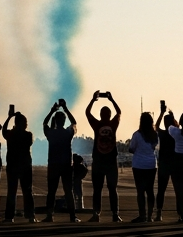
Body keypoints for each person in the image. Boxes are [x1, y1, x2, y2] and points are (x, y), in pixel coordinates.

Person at [85, 90, 121, 222]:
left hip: (99, 161)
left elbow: (87, 113)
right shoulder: (113, 124)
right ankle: (115, 214)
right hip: (110, 161)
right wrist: (112, 100)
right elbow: (119, 112)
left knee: (97, 189)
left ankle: (96, 214)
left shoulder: (97, 125)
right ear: (109, 115)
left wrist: (93, 100)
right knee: (112, 189)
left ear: (100, 115)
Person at [43, 99, 78, 223]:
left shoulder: (51, 133)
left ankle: (49, 215)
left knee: (51, 192)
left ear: (55, 122)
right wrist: (66, 108)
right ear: (63, 122)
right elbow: (74, 122)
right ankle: (73, 216)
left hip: (53, 164)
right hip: (66, 165)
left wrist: (52, 110)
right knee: (68, 191)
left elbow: (44, 124)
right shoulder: (68, 133)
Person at [2, 106, 35, 223]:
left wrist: (9, 117)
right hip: (25, 165)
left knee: (12, 191)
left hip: (12, 165)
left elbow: (3, 130)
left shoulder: (11, 134)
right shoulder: (28, 135)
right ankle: (30, 216)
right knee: (27, 191)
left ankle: (9, 216)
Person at [128, 112, 158, 223]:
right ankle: (150, 216)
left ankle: (142, 215)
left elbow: (131, 148)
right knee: (150, 190)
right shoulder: (154, 134)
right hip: (151, 164)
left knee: (140, 191)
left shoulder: (137, 135)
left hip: (139, 165)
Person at [154, 103, 176, 222]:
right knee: (178, 190)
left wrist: (162, 113)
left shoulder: (163, 134)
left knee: (161, 190)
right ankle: (181, 213)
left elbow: (156, 126)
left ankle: (159, 213)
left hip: (164, 164)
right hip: (174, 163)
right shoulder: (176, 133)